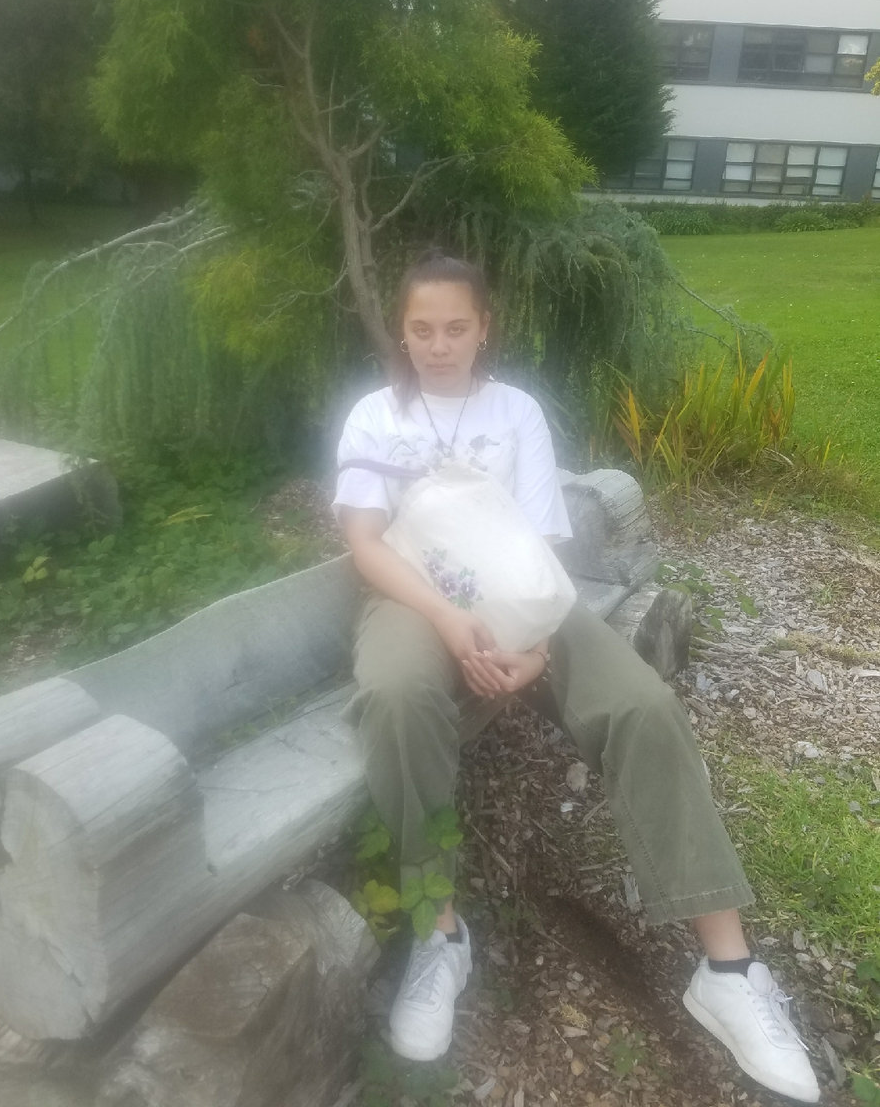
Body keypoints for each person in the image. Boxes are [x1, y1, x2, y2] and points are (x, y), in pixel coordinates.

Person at [333, 251, 820, 1104]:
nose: (439, 345)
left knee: (642, 705)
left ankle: (729, 970)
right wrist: (445, 618)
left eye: (456, 327)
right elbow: (365, 543)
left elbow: (540, 550)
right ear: (401, 333)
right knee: (396, 697)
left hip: (525, 599)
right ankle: (439, 934)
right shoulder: (374, 416)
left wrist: (535, 648)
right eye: (422, 329)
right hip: (414, 598)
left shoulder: (515, 412)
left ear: (484, 328)